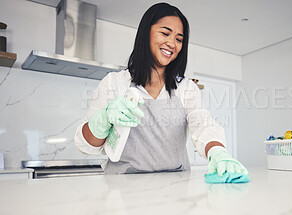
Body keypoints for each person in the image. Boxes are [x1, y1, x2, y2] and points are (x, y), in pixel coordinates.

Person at [74, 2, 248, 176]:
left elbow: (203, 124)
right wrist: (104, 119)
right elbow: (87, 146)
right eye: (165, 33)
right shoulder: (114, 83)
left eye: (179, 39)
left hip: (175, 187)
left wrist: (217, 152)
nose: (172, 43)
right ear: (145, 33)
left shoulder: (186, 88)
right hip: (121, 188)